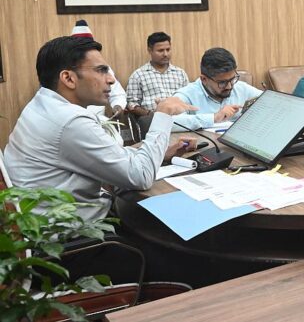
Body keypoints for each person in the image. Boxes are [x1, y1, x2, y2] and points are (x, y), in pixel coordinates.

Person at [4, 36, 197, 222]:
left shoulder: (41, 104)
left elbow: (106, 155)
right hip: (77, 236)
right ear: (68, 78)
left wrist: (160, 153)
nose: (111, 79)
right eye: (101, 70)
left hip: (39, 223)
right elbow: (141, 177)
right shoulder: (71, 121)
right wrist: (163, 114)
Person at [172, 47, 262, 130]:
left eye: (232, 79)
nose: (229, 86)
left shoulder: (241, 88)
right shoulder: (187, 94)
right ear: (204, 79)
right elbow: (170, 122)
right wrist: (214, 118)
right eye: (222, 82)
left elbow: (268, 101)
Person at [71, 20, 127, 119]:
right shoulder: (62, 68)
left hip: (99, 120)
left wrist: (117, 106)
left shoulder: (103, 68)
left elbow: (117, 94)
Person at [126, 32, 189, 117]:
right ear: (150, 50)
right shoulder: (138, 75)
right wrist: (150, 115)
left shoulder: (180, 73)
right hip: (152, 119)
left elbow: (189, 99)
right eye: (160, 51)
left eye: (168, 49)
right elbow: (132, 104)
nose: (165, 54)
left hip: (181, 118)